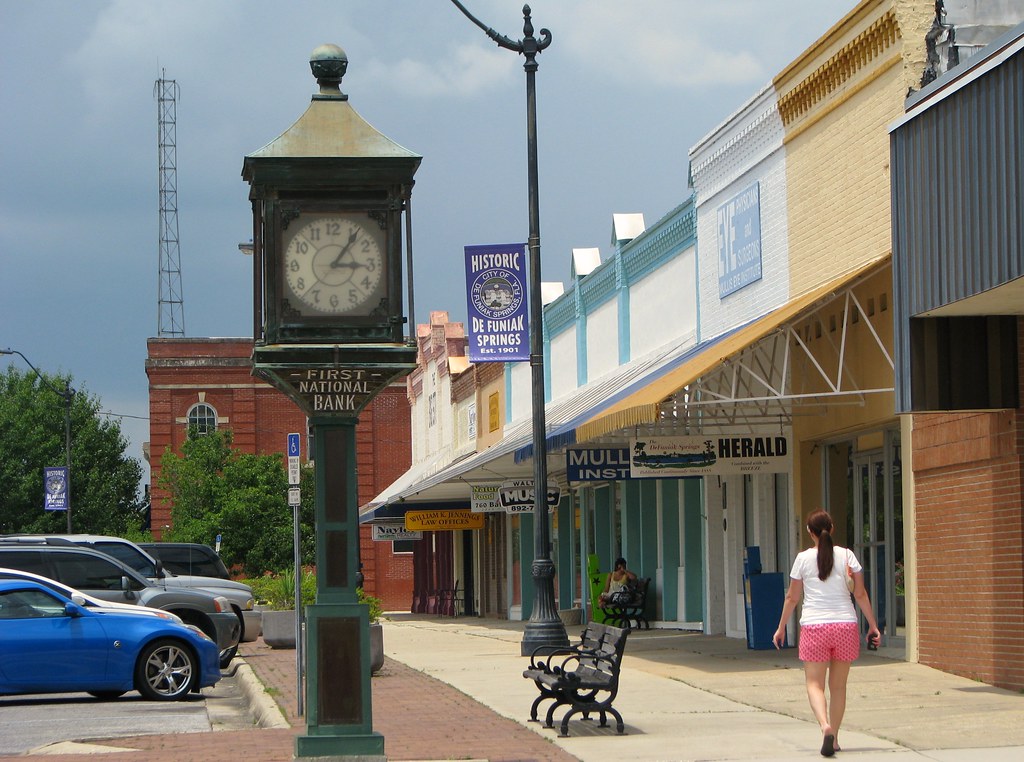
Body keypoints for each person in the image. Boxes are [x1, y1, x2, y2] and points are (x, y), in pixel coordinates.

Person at [773, 509, 881, 758]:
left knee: (814, 684)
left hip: (814, 627)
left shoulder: (802, 559)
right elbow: (861, 594)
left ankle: (825, 727)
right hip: (845, 625)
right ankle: (835, 739)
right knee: (839, 687)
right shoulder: (848, 556)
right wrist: (873, 625)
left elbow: (792, 597)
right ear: (832, 528)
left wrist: (781, 627)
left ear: (810, 532)